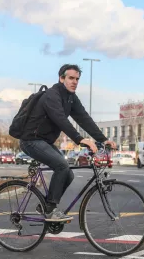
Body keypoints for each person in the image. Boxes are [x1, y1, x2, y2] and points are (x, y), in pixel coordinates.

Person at [20, 64, 116, 222]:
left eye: (77, 79)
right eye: (71, 78)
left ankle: (46, 205)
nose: (75, 82)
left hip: (44, 141)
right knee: (62, 166)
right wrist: (80, 139)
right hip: (31, 140)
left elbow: (84, 118)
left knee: (68, 174)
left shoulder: (71, 97)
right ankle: (50, 210)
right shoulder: (52, 95)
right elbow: (61, 120)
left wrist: (102, 139)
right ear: (61, 78)